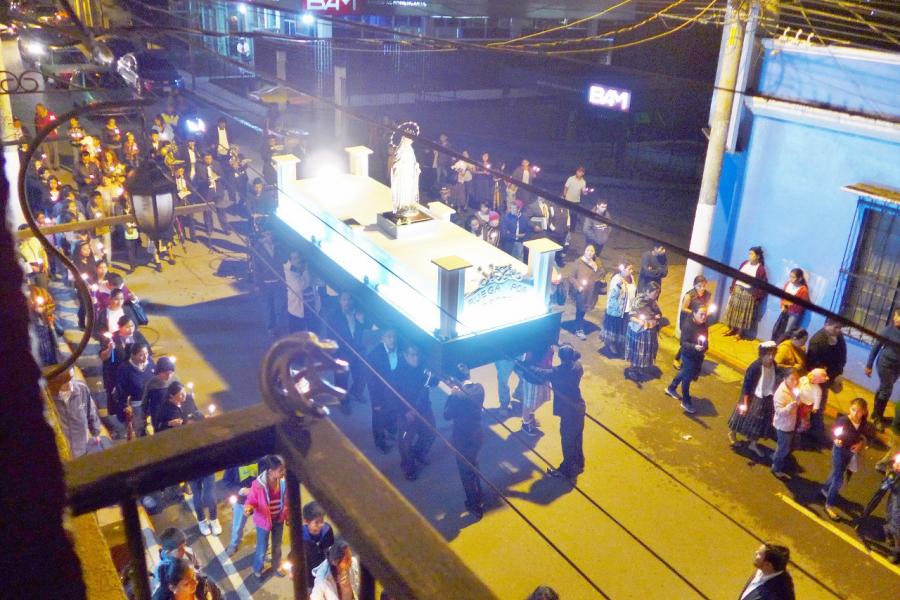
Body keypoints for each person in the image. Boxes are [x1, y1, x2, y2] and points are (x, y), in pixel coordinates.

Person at [443, 363, 485, 517]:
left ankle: (474, 504)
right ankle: (479, 494)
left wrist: (452, 395)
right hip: (477, 435)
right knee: (474, 464)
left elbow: (447, 415)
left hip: (462, 438)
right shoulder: (480, 388)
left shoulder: (457, 396)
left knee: (465, 471)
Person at [727, 342, 778, 456]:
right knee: (741, 417)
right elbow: (747, 385)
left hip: (766, 396)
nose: (771, 357)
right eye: (768, 354)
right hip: (751, 396)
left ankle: (753, 443)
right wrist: (745, 403)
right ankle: (732, 433)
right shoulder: (755, 366)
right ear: (762, 354)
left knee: (759, 422)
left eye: (773, 354)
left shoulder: (774, 365)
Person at [822, 397, 869, 520]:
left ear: (864, 412)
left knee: (836, 472)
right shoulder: (843, 420)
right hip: (839, 450)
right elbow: (833, 432)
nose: (855, 413)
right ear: (849, 408)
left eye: (858, 411)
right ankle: (829, 505)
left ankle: (825, 489)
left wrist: (860, 444)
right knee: (839, 479)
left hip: (850, 452)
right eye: (853, 410)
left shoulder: (863, 423)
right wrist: (835, 439)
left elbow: (864, 436)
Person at [395, 345, 436, 480]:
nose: (416, 358)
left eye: (417, 354)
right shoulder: (398, 371)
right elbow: (393, 394)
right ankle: (408, 467)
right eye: (412, 355)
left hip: (423, 407)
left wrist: (435, 375)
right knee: (406, 440)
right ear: (405, 355)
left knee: (430, 431)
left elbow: (433, 382)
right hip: (406, 411)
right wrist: (404, 411)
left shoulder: (422, 367)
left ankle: (417, 453)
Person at [245, 454, 289, 579]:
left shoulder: (284, 483)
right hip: (263, 522)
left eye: (284, 469)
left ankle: (276, 566)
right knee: (262, 547)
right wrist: (249, 508)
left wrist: (287, 515)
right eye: (281, 470)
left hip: (278, 519)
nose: (284, 472)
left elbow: (287, 501)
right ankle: (257, 568)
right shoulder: (258, 485)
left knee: (277, 545)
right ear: (270, 471)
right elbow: (251, 501)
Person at [806, 318, 847, 446]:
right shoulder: (817, 341)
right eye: (835, 327)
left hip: (831, 376)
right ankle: (816, 432)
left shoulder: (839, 337)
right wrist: (825, 376)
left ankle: (813, 428)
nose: (838, 330)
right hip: (819, 378)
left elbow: (842, 355)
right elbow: (813, 363)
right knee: (819, 404)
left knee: (819, 404)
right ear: (826, 325)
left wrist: (838, 373)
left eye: (839, 328)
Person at [665, 305, 709, 414]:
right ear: (694, 313)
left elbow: (706, 337)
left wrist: (705, 346)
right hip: (688, 355)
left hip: (698, 355)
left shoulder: (704, 325)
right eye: (701, 315)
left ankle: (671, 388)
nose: (704, 317)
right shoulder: (688, 326)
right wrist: (694, 347)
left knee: (684, 372)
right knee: (687, 378)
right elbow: (683, 343)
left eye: (705, 315)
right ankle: (686, 401)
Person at [52, 370, 103, 459]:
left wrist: (96, 434)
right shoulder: (47, 396)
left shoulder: (81, 389)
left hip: (83, 454)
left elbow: (92, 415)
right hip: (61, 458)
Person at [866, 308, 900, 432]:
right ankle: (878, 419)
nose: (895, 318)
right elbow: (876, 347)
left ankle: (875, 413)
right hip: (885, 364)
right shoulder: (888, 331)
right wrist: (869, 365)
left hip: (897, 367)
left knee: (883, 388)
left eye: (898, 316)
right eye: (895, 316)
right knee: (887, 390)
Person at [367, 328, 401, 454]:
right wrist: (376, 402)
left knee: (392, 412)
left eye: (394, 337)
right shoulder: (374, 355)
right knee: (379, 418)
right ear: (382, 338)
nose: (392, 340)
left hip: (395, 393)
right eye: (389, 337)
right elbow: (371, 382)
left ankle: (391, 430)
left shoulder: (400, 351)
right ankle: (380, 442)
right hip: (380, 395)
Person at [722, 246, 768, 338]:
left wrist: (757, 297)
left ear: (758, 256)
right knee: (734, 311)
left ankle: (739, 333)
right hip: (738, 290)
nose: (749, 256)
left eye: (751, 254)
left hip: (748, 293)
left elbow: (762, 284)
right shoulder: (744, 264)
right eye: (749, 253)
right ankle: (732, 329)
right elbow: (737, 275)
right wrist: (733, 287)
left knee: (743, 314)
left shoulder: (760, 269)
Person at [770, 368, 806, 480]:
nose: (795, 382)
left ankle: (778, 458)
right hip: (783, 426)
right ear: (785, 378)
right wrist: (790, 407)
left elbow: (798, 401)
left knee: (789, 445)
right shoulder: (780, 394)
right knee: (783, 448)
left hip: (791, 423)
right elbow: (779, 412)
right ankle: (776, 468)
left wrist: (798, 401)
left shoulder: (793, 389)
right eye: (792, 379)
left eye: (797, 379)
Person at [114, 342, 155, 439]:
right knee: (140, 429)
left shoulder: (150, 363)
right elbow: (121, 391)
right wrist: (125, 407)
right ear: (133, 354)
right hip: (136, 406)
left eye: (146, 353)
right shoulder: (124, 369)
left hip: (151, 402)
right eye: (141, 355)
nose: (145, 357)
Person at [625, 282, 662, 381]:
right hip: (638, 332)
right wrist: (640, 321)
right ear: (647, 291)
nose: (656, 295)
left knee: (644, 351)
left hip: (648, 331)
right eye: (655, 293)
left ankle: (639, 368)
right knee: (637, 351)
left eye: (658, 293)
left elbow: (657, 312)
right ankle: (632, 369)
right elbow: (631, 316)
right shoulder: (638, 301)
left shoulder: (652, 301)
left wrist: (656, 316)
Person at [673, 275, 711, 368]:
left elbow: (706, 306)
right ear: (694, 285)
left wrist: (704, 312)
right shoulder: (689, 295)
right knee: (688, 340)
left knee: (697, 340)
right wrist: (695, 313)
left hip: (700, 320)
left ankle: (692, 358)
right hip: (689, 319)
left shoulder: (707, 294)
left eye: (704, 286)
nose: (702, 288)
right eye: (699, 286)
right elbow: (683, 308)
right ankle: (677, 358)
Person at [567, 244, 604, 340]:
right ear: (584, 251)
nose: (589, 252)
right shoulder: (578, 262)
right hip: (581, 291)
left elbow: (601, 272)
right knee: (580, 309)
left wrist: (599, 277)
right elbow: (571, 276)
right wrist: (578, 286)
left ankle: (579, 324)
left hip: (591, 291)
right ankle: (578, 329)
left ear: (594, 253)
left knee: (584, 309)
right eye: (588, 250)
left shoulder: (596, 262)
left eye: (591, 251)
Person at [253, 226, 284, 336]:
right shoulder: (258, 248)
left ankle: (279, 327)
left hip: (278, 282)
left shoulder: (278, 245)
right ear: (264, 235)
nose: (271, 236)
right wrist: (257, 284)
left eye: (272, 234)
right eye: (268, 234)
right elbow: (256, 267)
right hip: (266, 283)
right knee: (268, 307)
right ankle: (271, 327)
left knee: (279, 307)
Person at [516, 346, 553, 436]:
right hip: (533, 378)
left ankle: (530, 416)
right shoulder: (534, 345)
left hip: (544, 376)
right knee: (529, 403)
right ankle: (525, 423)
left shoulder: (549, 343)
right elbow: (525, 362)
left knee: (543, 399)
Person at [602, 262, 637, 357]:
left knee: (623, 329)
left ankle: (620, 345)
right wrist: (618, 286)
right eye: (629, 269)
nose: (631, 271)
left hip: (628, 309)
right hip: (618, 309)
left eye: (631, 269)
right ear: (623, 269)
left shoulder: (631, 278)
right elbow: (612, 295)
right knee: (615, 329)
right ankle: (611, 345)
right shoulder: (616, 279)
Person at [301, 501, 335, 589]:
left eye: (322, 521)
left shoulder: (327, 530)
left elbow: (330, 550)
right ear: (306, 521)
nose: (321, 525)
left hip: (324, 574)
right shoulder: (300, 535)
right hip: (308, 576)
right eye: (316, 522)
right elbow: (295, 554)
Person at [140, 356, 178, 432]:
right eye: (166, 374)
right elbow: (145, 402)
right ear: (159, 372)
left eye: (171, 373)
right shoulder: (152, 384)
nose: (169, 376)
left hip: (172, 413)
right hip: (157, 416)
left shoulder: (175, 380)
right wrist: (144, 418)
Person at [771, 268, 810, 342]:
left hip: (794, 314)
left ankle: (781, 346)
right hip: (784, 310)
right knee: (777, 328)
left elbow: (802, 305)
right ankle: (773, 343)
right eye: (790, 276)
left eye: (793, 277)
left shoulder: (803, 290)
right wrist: (783, 305)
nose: (791, 279)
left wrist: (790, 306)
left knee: (787, 331)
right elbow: (783, 296)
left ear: (800, 278)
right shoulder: (787, 284)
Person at [284, 250, 312, 333]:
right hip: (296, 310)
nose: (298, 260)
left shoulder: (305, 269)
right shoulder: (289, 273)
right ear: (291, 261)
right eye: (295, 258)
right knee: (296, 337)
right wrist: (306, 271)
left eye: (299, 257)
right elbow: (300, 285)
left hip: (310, 308)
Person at [34, 103, 60, 170]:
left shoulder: (50, 115)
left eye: (39, 110)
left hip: (52, 136)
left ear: (43, 108)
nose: (38, 111)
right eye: (37, 110)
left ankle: (56, 165)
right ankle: (47, 165)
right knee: (45, 152)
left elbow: (56, 123)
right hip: (42, 137)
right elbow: (36, 127)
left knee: (54, 151)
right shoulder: (37, 116)